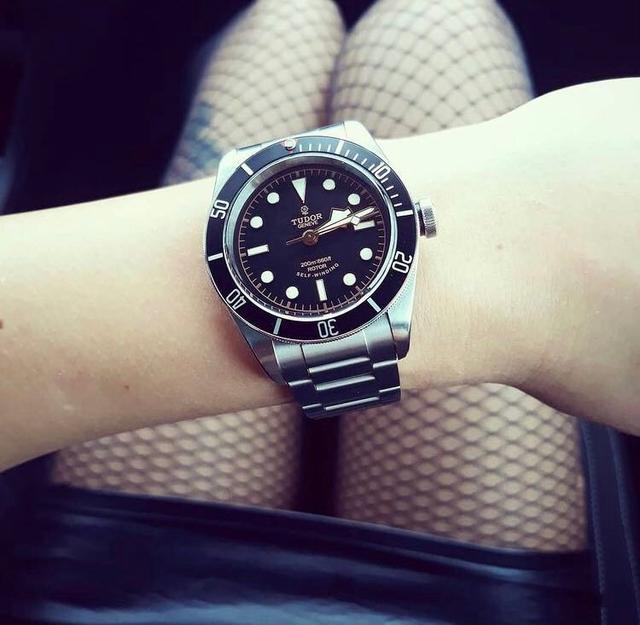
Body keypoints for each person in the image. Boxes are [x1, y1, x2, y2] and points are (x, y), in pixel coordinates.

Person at [0, 1, 638, 623]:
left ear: (418, 221)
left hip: (127, 575)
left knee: (291, 15)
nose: (310, 237)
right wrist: (530, 264)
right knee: (433, 20)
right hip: (468, 596)